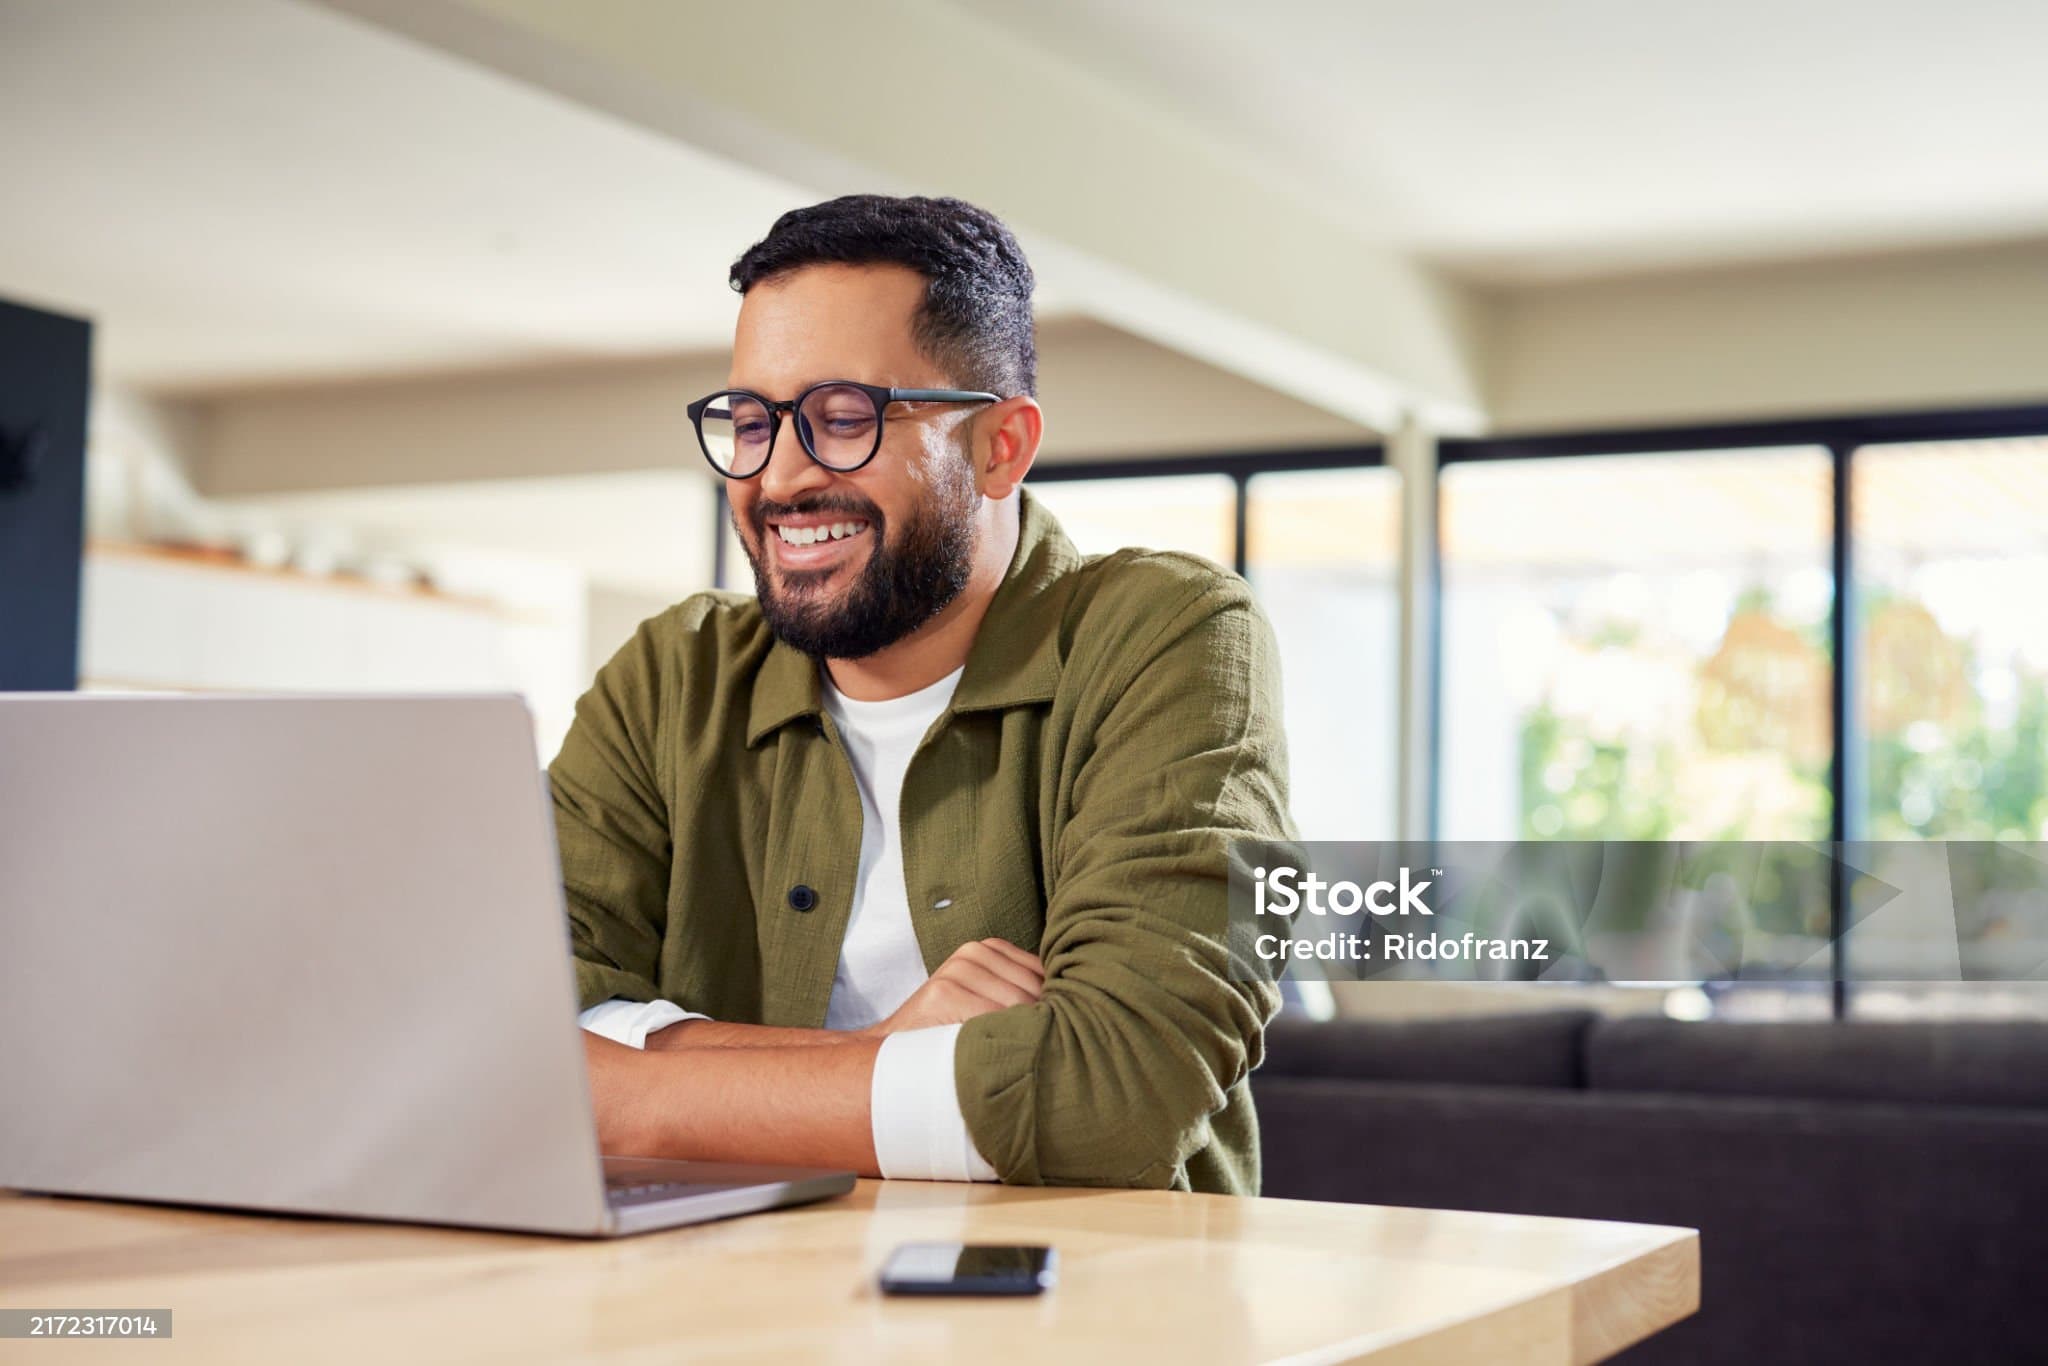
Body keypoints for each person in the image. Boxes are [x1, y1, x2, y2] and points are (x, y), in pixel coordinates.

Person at [558, 194, 1292, 1192]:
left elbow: (1117, 1090)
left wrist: (628, 1093)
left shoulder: (1168, 636)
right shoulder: (669, 676)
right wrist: (894, 1059)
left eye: (843, 418)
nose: (777, 476)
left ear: (999, 446)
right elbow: (505, 1028)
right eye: (748, 419)